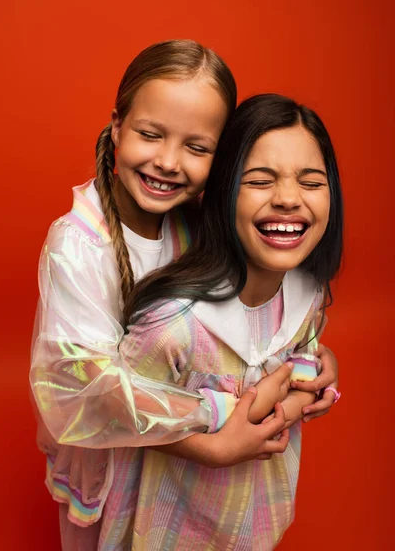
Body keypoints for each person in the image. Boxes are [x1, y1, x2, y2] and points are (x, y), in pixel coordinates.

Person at [30, 40, 339, 548]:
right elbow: (80, 391)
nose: (169, 162)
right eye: (151, 135)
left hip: (188, 476)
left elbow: (251, 323)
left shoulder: (202, 223)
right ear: (117, 126)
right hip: (113, 455)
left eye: (197, 148)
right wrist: (215, 435)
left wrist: (309, 360)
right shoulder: (78, 245)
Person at [103, 93, 344, 550]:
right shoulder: (173, 324)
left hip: (257, 522)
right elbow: (116, 414)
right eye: (260, 180)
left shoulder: (307, 293)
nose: (289, 198)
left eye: (311, 182)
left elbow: (305, 363)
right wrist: (268, 405)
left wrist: (310, 386)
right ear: (222, 192)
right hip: (168, 531)